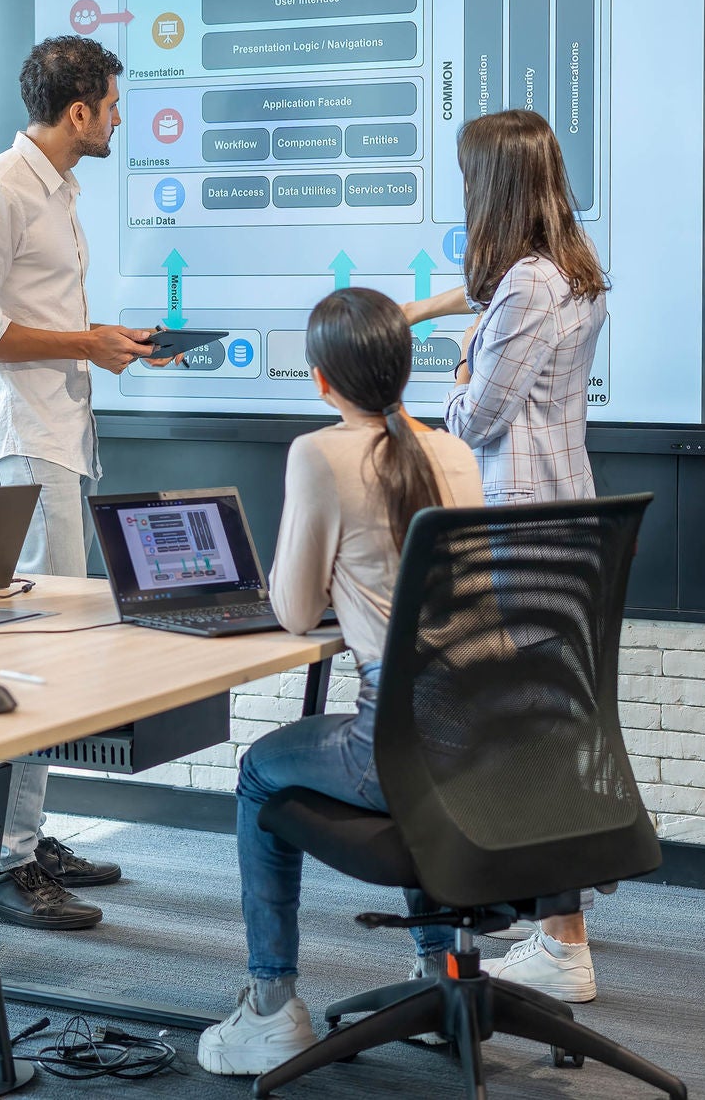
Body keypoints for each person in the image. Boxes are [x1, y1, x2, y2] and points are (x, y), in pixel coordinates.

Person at [197, 287, 485, 1077]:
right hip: (484, 742)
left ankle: (270, 1004)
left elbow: (292, 612)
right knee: (412, 757)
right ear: (403, 366)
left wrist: (333, 584)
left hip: (388, 747)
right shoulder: (454, 453)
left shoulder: (320, 453)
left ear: (322, 380)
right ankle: (437, 973)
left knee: (259, 770)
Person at [0, 35, 159, 930]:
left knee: (54, 651)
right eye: (109, 105)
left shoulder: (54, 192)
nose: (115, 119)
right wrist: (81, 343)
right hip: (19, 447)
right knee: (30, 654)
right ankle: (8, 859)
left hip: (60, 438)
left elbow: (33, 314)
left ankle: (29, 833)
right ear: (77, 113)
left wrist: (99, 339)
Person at [402, 106, 609, 998]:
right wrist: (422, 307)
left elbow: (477, 418)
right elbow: (492, 302)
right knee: (541, 720)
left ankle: (560, 939)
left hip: (516, 525)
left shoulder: (528, 283)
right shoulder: (570, 268)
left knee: (519, 729)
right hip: (564, 518)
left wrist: (451, 375)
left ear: (493, 184)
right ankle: (553, 923)